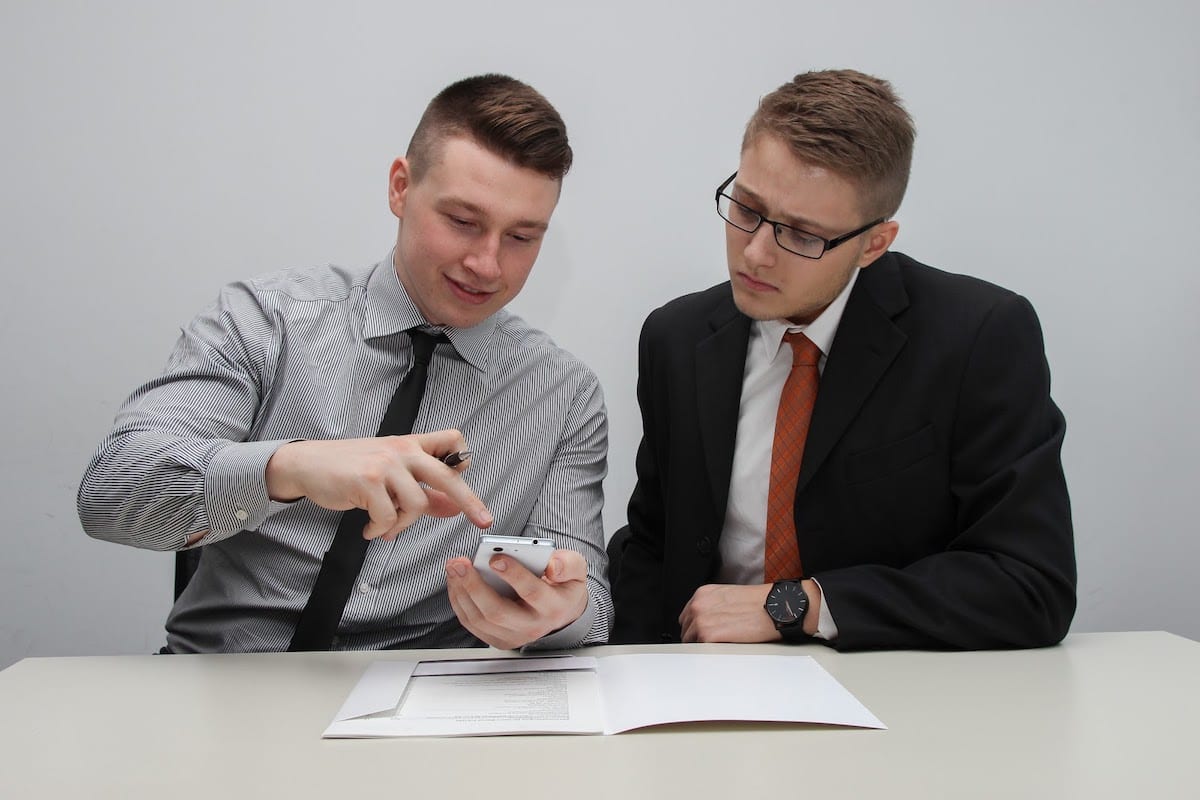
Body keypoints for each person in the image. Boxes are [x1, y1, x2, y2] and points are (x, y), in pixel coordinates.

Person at [78, 74, 612, 653]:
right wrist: (289, 469)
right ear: (400, 188)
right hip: (223, 684)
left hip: (419, 712)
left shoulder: (564, 395)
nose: (487, 264)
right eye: (462, 221)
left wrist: (561, 613)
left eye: (522, 237)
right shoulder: (266, 319)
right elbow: (110, 495)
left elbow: (587, 600)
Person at [611, 69, 1075, 650]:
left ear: (874, 244)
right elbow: (653, 547)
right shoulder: (675, 338)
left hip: (892, 698)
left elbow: (1032, 583)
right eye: (747, 209)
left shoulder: (977, 337)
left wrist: (797, 606)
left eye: (802, 236)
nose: (755, 253)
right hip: (706, 687)